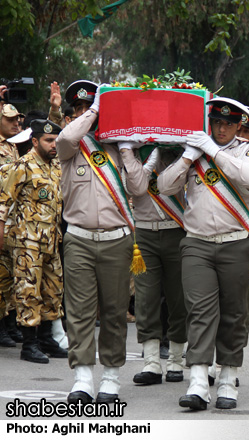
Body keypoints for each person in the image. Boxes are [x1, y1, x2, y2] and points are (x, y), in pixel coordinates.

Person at [158, 97, 249, 411]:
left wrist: (212, 150)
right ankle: (197, 381)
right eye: (217, 123)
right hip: (197, 243)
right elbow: (165, 186)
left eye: (228, 124)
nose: (221, 128)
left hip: (236, 242)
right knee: (199, 311)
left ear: (238, 126)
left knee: (234, 313)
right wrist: (187, 157)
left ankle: (227, 377)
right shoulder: (195, 152)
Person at [56, 80, 149, 404]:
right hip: (79, 238)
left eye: (90, 108)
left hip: (117, 240)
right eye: (79, 110)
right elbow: (67, 136)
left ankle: (110, 376)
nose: (86, 115)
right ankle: (82, 377)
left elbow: (138, 188)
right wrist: (96, 109)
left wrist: (125, 147)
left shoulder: (119, 147)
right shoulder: (70, 145)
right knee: (79, 312)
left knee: (114, 311)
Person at [0, 119, 68, 363]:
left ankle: (47, 340)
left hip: (51, 239)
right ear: (35, 141)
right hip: (27, 241)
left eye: (56, 141)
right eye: (49, 141)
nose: (54, 145)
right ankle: (29, 345)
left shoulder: (56, 166)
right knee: (28, 291)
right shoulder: (23, 165)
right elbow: (4, 200)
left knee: (53, 290)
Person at [131, 145, 188, 386]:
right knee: (146, 299)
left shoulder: (183, 151)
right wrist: (151, 154)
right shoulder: (134, 150)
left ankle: (176, 359)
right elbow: (133, 186)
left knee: (178, 298)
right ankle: (151, 362)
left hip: (175, 230)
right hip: (144, 233)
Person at [0, 103, 24, 347]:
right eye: (10, 120)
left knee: (8, 274)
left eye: (18, 119)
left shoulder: (13, 145)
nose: (16, 123)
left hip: (11, 218)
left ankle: (8, 322)